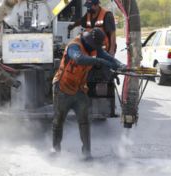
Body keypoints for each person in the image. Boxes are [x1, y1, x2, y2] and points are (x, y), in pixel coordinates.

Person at [52, 28, 125, 160]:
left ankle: (87, 154)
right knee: (59, 120)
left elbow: (107, 57)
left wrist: (121, 66)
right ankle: (55, 150)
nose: (96, 49)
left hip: (79, 89)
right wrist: (99, 61)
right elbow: (79, 59)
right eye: (95, 46)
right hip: (62, 88)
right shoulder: (74, 46)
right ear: (88, 40)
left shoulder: (94, 48)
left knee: (84, 121)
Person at [68, 0, 119, 117]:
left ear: (97, 5)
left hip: (104, 49)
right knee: (88, 75)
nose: (89, 8)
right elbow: (81, 21)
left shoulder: (107, 15)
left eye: (91, 6)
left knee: (102, 76)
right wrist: (72, 25)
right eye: (88, 6)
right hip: (91, 49)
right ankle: (85, 100)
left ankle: (101, 103)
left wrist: (111, 51)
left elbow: (112, 34)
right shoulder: (89, 14)